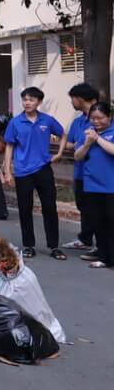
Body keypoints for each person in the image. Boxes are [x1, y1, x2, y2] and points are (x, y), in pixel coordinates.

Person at [3, 86, 67, 260]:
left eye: (31, 99)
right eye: (24, 99)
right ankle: (28, 246)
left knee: (50, 208)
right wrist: (7, 170)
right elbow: (9, 146)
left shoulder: (47, 120)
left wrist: (59, 153)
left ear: (39, 102)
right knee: (25, 209)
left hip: (44, 169)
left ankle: (54, 246)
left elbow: (63, 134)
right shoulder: (15, 122)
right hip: (23, 171)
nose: (27, 103)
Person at [73, 102, 114, 269]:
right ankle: (104, 257)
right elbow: (77, 156)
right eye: (93, 118)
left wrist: (98, 139)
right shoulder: (87, 133)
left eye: (100, 118)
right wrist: (88, 143)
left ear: (109, 117)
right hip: (92, 185)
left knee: (111, 222)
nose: (96, 122)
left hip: (111, 186)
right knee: (98, 223)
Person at [61, 83, 100, 252]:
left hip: (98, 173)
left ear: (80, 99)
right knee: (84, 207)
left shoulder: (102, 120)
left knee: (97, 209)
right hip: (80, 172)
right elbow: (70, 144)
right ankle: (85, 239)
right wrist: (77, 144)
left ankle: (102, 245)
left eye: (72, 99)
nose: (71, 102)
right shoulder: (77, 122)